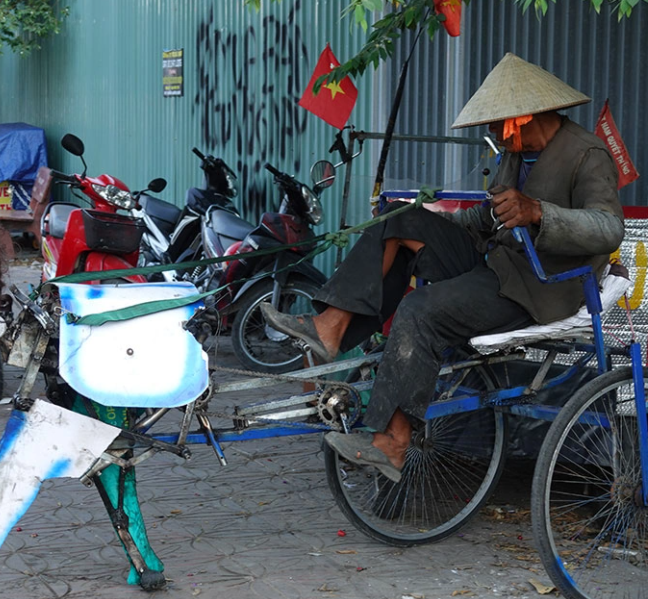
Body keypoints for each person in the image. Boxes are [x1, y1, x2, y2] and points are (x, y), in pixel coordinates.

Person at [262, 53, 625, 483]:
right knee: (396, 218)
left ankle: (392, 445)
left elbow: (608, 229)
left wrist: (539, 213)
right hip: (497, 264)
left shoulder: (587, 154)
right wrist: (436, 222)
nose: (493, 133)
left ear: (523, 118)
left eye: (497, 124)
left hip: (536, 289)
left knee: (421, 311)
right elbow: (489, 219)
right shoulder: (516, 154)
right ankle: (330, 329)